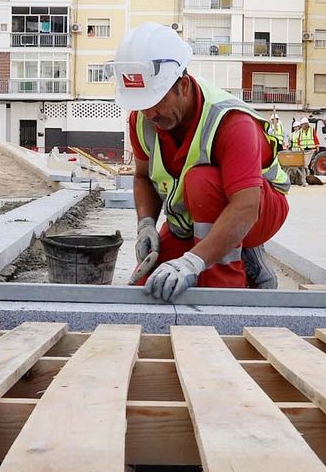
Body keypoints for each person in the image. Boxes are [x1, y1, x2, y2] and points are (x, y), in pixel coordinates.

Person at [109, 24, 290, 302]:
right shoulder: (142, 119)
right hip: (193, 215)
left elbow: (246, 207)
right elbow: (143, 177)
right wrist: (146, 224)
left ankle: (228, 281)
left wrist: (191, 263)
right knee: (150, 289)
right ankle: (212, 250)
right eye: (141, 103)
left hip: (258, 210)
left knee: (200, 180)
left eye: (156, 100)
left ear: (183, 85)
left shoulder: (232, 122)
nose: (150, 113)